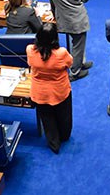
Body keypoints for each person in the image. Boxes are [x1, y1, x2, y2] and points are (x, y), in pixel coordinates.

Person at [27, 22, 73, 153]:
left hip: (40, 92)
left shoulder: (30, 50)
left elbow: (30, 63)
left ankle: (54, 143)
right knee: (64, 115)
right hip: (60, 91)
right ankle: (64, 136)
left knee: (47, 119)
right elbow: (70, 63)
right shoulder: (61, 53)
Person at [46, 0, 92, 81]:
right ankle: (75, 72)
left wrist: (54, 14)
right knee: (78, 45)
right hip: (77, 21)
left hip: (62, 19)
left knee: (77, 46)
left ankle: (80, 63)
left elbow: (52, 1)